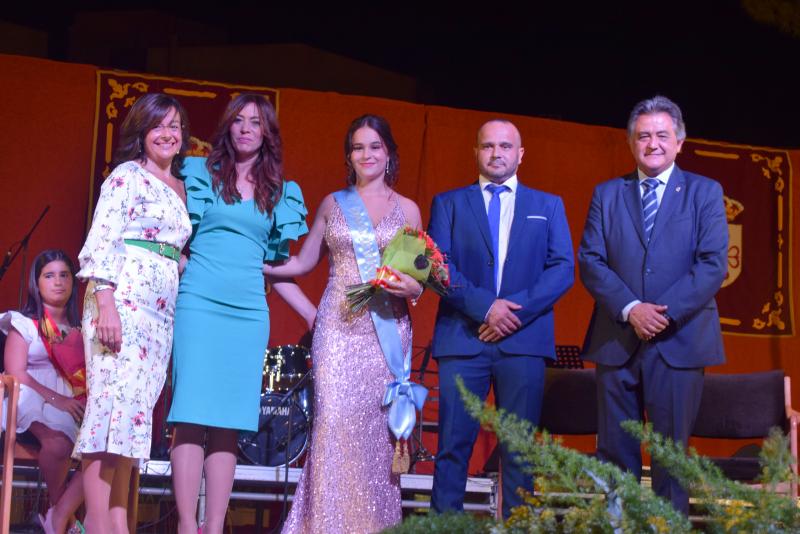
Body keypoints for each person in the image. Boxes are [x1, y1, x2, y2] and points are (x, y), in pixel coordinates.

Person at [265, 114, 424, 533]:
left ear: (388, 153)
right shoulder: (334, 204)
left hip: (386, 334)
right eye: (357, 147)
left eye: (374, 146)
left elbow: (417, 279)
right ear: (348, 155)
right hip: (337, 331)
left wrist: (409, 286)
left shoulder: (408, 209)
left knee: (375, 441)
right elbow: (302, 263)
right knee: (332, 429)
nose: (366, 154)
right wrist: (255, 261)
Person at [166, 94, 315, 534]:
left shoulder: (280, 194)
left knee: (229, 423)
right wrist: (176, 261)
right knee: (190, 415)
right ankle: (186, 525)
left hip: (248, 314)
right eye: (238, 120)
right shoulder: (197, 173)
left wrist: (313, 314)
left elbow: (276, 268)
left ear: (267, 132)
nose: (246, 128)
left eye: (256, 122)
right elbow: (169, 234)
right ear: (227, 126)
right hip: (198, 305)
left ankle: (213, 527)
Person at [578, 95, 728, 514]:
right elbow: (590, 260)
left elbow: (712, 264)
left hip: (679, 340)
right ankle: (619, 525)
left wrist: (657, 314)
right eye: (643, 136)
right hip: (617, 340)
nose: (653, 144)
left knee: (671, 458)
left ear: (680, 141)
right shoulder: (607, 194)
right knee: (614, 453)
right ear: (631, 143)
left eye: (662, 135)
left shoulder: (704, 192)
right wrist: (631, 309)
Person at [428, 119, 574, 518]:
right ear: (476, 152)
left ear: (520, 154)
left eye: (505, 146)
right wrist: (486, 308)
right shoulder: (448, 203)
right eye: (488, 146)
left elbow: (563, 269)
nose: (497, 153)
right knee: (452, 448)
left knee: (520, 452)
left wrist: (512, 311)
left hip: (522, 342)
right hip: (463, 338)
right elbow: (437, 265)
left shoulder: (548, 205)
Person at [76, 93, 192, 534]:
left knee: (131, 422)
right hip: (121, 303)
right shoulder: (127, 176)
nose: (167, 134)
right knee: (109, 415)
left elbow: (169, 245)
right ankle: (97, 524)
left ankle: (118, 524)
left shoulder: (179, 186)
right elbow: (103, 239)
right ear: (142, 133)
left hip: (158, 318)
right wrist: (105, 303)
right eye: (157, 126)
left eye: (174, 126)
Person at [1, 249, 85, 534]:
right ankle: (63, 517)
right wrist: (57, 400)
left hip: (71, 401)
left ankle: (57, 516)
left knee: (104, 452)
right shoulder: (23, 323)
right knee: (58, 444)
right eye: (49, 276)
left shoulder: (82, 330)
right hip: (30, 394)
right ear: (36, 283)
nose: (58, 282)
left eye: (64, 275)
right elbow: (16, 372)